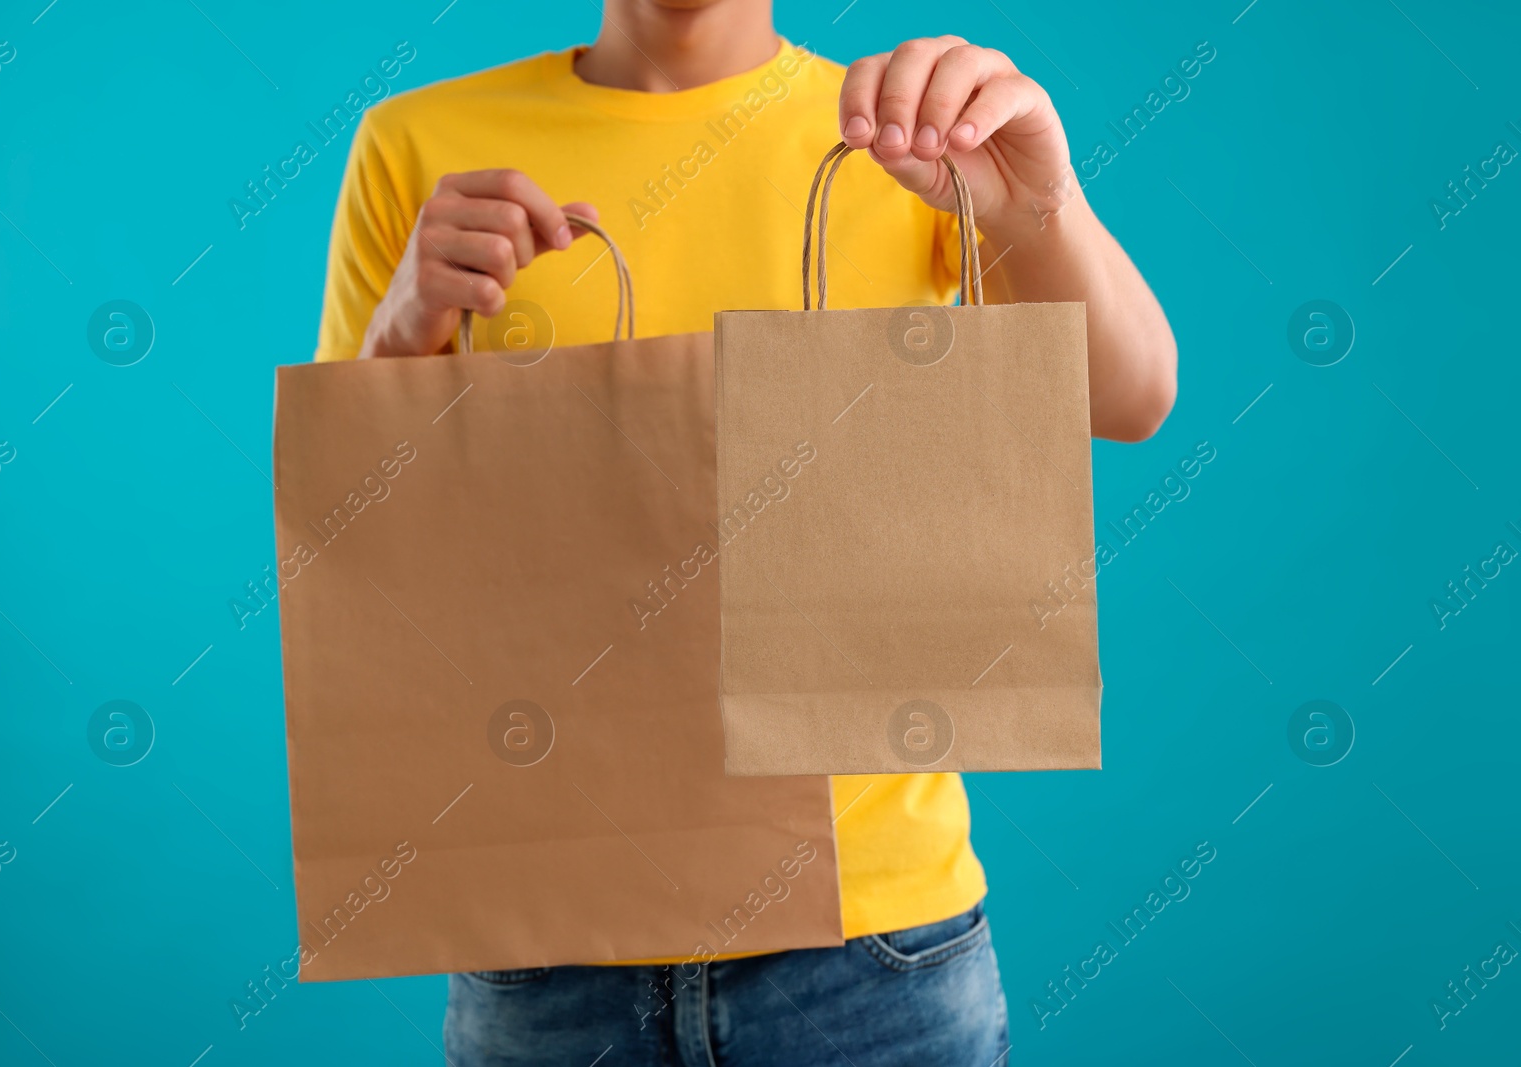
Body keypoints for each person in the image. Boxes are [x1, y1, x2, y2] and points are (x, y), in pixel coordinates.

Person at [316, 0, 1176, 1062]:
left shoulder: (908, 134)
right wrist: (402, 333)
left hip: (872, 939)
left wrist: (1036, 204)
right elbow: (361, 549)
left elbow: (1129, 398)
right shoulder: (417, 145)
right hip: (546, 937)